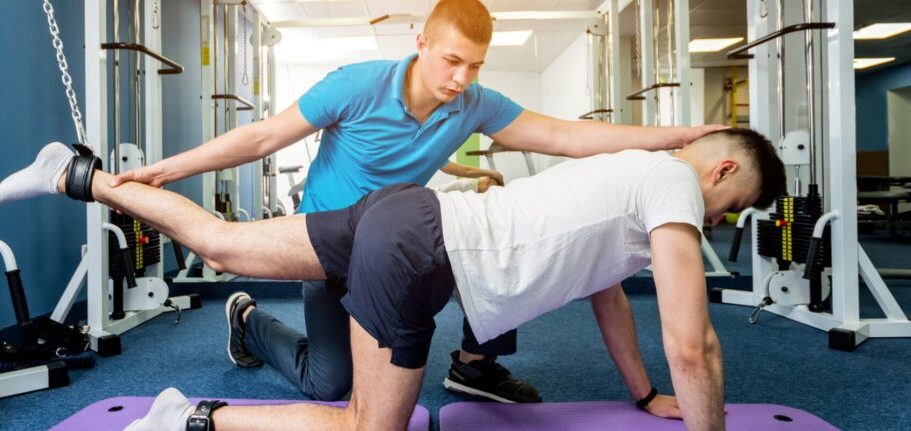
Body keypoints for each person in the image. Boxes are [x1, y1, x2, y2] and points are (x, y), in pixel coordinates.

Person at [96, 0, 723, 404]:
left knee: (510, 248)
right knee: (331, 385)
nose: (462, 79)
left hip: (400, 242)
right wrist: (163, 171)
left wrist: (673, 139)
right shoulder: (356, 86)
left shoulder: (474, 104)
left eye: (475, 66)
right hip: (326, 246)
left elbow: (565, 134)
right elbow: (260, 137)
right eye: (453, 60)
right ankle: (249, 323)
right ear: (420, 41)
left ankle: (476, 365)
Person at [0, 127, 787, 431]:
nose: (717, 224)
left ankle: (81, 178)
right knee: (369, 426)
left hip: (405, 217)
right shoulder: (674, 186)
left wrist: (643, 395)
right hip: (423, 254)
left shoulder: (631, 177)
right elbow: (695, 340)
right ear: (718, 169)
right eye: (732, 205)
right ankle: (194, 419)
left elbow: (608, 293)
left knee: (222, 245)